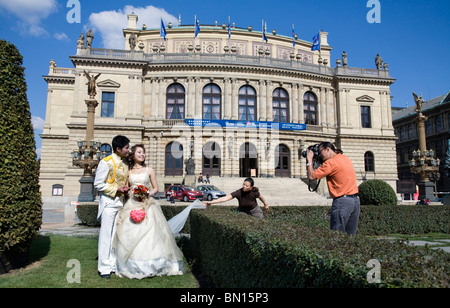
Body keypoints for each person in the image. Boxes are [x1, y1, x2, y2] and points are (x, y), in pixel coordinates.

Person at [112, 144, 185, 279]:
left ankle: (154, 264)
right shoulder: (128, 171)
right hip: (132, 204)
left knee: (151, 234)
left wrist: (147, 194)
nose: (142, 155)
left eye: (143, 152)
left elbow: (156, 188)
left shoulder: (149, 170)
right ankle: (130, 264)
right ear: (133, 154)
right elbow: (127, 188)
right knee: (130, 232)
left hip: (147, 204)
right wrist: (132, 194)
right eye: (139, 152)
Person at [93, 135, 130, 278]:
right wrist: (117, 190)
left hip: (119, 203)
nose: (128, 150)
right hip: (109, 203)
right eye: (126, 148)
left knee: (115, 235)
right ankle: (104, 268)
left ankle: (113, 264)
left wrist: (125, 189)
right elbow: (98, 184)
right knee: (106, 236)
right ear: (118, 149)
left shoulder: (124, 164)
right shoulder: (106, 162)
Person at [306, 142, 360, 236]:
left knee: (336, 236)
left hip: (342, 202)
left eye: (320, 151)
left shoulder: (330, 163)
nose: (319, 155)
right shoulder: (344, 158)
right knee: (351, 237)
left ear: (328, 149)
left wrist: (309, 160)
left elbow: (311, 176)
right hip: (355, 201)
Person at [203, 177, 269, 218]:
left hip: (254, 210)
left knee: (260, 219)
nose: (244, 186)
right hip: (242, 211)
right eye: (243, 184)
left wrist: (265, 204)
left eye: (246, 186)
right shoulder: (239, 192)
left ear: (251, 187)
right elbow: (225, 198)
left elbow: (261, 197)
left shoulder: (254, 192)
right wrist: (211, 202)